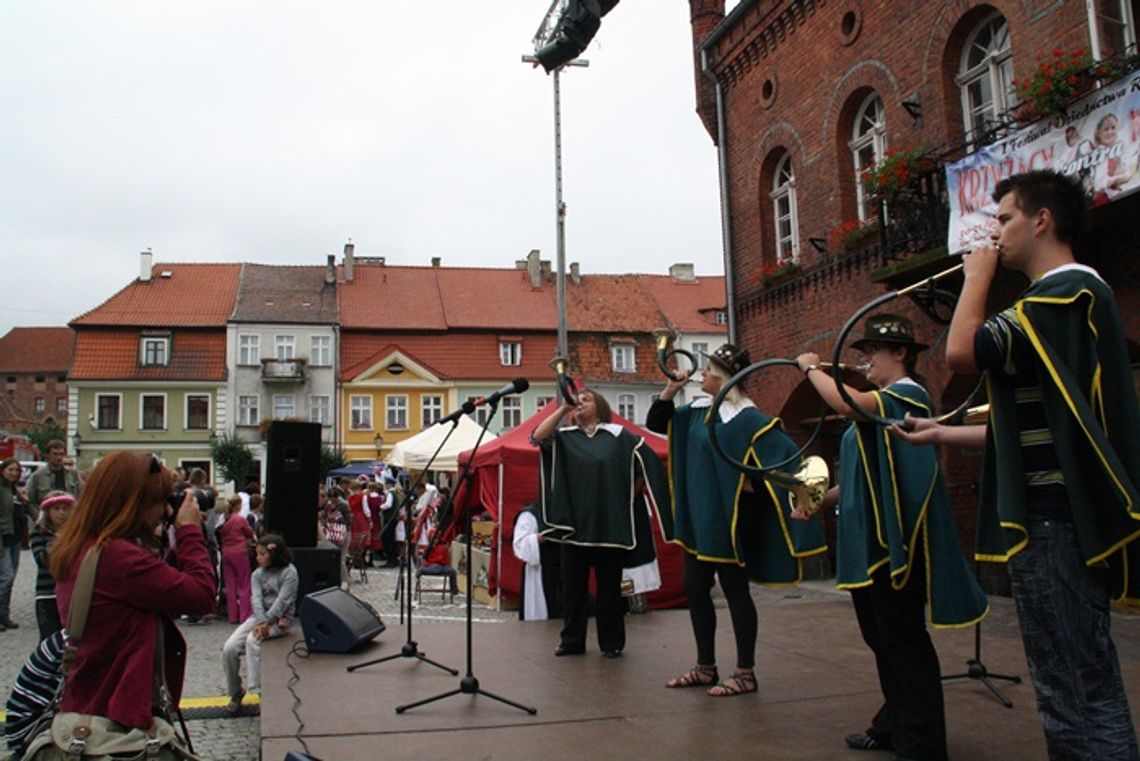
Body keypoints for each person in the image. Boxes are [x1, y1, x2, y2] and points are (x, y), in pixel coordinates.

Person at [935, 169, 1140, 759]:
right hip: (1060, 520)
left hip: (1055, 522)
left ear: (1041, 220)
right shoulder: (1069, 298)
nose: (995, 234)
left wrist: (977, 278)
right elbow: (1042, 424)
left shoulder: (1062, 294)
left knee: (1072, 687)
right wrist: (940, 433)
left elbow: (961, 352)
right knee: (1074, 681)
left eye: (1005, 219)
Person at [796, 314, 987, 761]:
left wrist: (811, 369)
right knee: (882, 639)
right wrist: (815, 501)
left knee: (903, 639)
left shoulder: (906, 395)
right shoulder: (875, 408)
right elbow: (856, 479)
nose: (866, 361)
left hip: (895, 541)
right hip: (870, 543)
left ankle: (921, 742)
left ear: (900, 353)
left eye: (872, 352)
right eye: (862, 353)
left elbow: (847, 403)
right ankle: (893, 725)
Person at [647, 344, 827, 697]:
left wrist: (755, 482)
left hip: (729, 520)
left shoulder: (749, 420)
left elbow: (785, 461)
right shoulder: (698, 412)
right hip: (699, 517)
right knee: (694, 587)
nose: (702, 374)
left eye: (709, 370)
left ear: (724, 377)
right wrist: (670, 388)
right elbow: (656, 423)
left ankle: (745, 672)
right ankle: (705, 667)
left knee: (735, 591)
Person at [49, 451, 214, 733]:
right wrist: (188, 531)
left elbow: (157, 587)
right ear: (136, 503)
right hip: (119, 718)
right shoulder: (118, 558)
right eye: (160, 501)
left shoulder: (85, 546)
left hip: (91, 702)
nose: (163, 510)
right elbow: (201, 595)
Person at [530, 388, 668, 659]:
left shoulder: (619, 437)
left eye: (586, 399)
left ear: (600, 407)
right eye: (578, 400)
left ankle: (612, 642)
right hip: (574, 527)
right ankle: (572, 640)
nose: (580, 402)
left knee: (609, 591)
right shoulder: (565, 437)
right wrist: (563, 408)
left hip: (609, 525)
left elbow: (647, 463)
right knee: (573, 590)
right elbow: (537, 437)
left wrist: (630, 492)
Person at [221, 533, 298, 715]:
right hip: (258, 618)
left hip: (280, 620)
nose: (258, 558)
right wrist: (262, 620)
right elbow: (255, 598)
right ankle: (235, 691)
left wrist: (267, 621)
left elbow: (283, 601)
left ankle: (259, 692)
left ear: (274, 554)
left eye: (262, 554)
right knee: (229, 648)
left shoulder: (290, 573)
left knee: (252, 641)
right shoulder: (257, 574)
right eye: (257, 554)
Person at [30, 490, 73, 640]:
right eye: (56, 509)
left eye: (65, 508)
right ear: (48, 512)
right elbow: (41, 561)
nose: (61, 513)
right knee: (48, 638)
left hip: (71, 593)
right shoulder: (39, 531)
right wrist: (56, 546)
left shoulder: (76, 533)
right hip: (47, 592)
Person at [511, 501, 562, 621]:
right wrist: (538, 538)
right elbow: (520, 543)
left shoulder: (565, 510)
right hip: (540, 569)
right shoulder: (530, 514)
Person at [0, 457, 34, 631]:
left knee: (10, 578)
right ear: (2, 471)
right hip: (3, 539)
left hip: (16, 538)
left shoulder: (13, 489)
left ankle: (4, 615)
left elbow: (26, 510)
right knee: (6, 577)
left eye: (17, 470)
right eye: (10, 470)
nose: (14, 473)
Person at [219, 494, 254, 623]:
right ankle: (244, 615)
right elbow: (249, 533)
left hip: (226, 552)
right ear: (238, 505)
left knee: (230, 585)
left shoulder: (224, 519)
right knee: (244, 584)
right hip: (239, 552)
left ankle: (232, 615)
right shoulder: (240, 519)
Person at [25, 439, 82, 516]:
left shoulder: (72, 474)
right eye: (55, 454)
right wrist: (38, 517)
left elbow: (80, 497)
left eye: (61, 454)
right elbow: (29, 501)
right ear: (47, 455)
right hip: (46, 517)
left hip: (69, 517)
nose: (59, 457)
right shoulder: (38, 476)